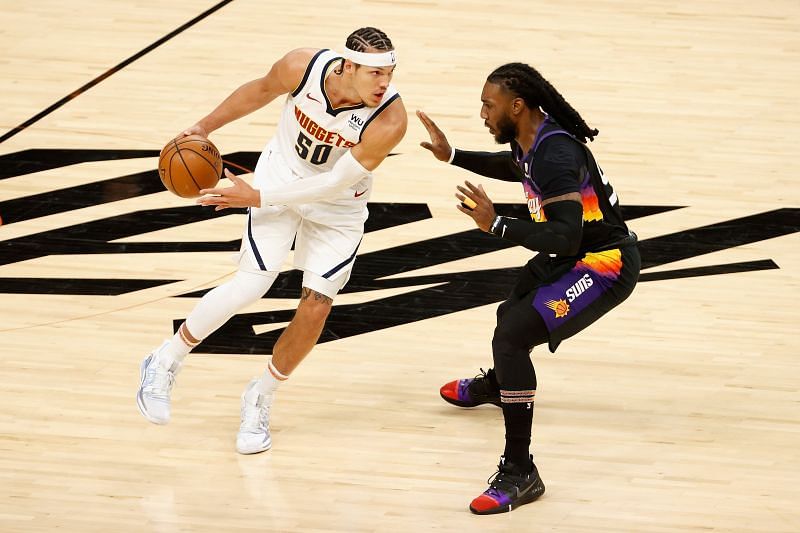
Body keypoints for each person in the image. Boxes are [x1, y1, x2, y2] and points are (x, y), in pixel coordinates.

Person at [137, 27, 407, 455]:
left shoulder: (390, 120)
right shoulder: (303, 67)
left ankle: (259, 396)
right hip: (281, 176)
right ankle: (165, 360)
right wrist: (200, 128)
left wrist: (256, 196)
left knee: (317, 307)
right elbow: (259, 91)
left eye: (389, 73)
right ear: (348, 65)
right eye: (374, 73)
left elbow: (334, 183)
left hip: (337, 208)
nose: (384, 83)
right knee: (252, 282)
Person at [417, 62, 640, 515]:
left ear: (517, 106)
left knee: (513, 336)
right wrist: (453, 156)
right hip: (572, 255)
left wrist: (496, 223)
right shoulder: (531, 139)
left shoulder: (556, 155)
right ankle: (502, 387)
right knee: (510, 314)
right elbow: (514, 165)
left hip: (603, 264)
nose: (481, 112)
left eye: (488, 104)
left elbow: (564, 238)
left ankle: (521, 472)